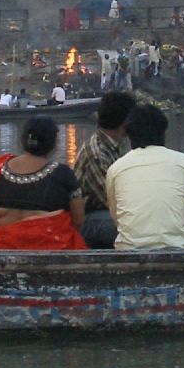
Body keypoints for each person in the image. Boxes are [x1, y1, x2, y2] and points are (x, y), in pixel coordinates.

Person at [106, 103, 184, 250]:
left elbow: (117, 217)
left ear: (129, 135)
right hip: (176, 250)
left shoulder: (116, 169)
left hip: (128, 251)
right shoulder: (183, 161)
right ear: (163, 132)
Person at [0, 116, 87, 250]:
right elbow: (78, 220)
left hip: (2, 257)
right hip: (52, 256)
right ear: (53, 143)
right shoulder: (64, 173)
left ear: (23, 140)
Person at [72, 91, 135, 249]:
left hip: (106, 211)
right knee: (134, 228)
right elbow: (111, 201)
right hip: (89, 219)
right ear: (125, 121)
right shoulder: (97, 153)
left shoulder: (115, 145)